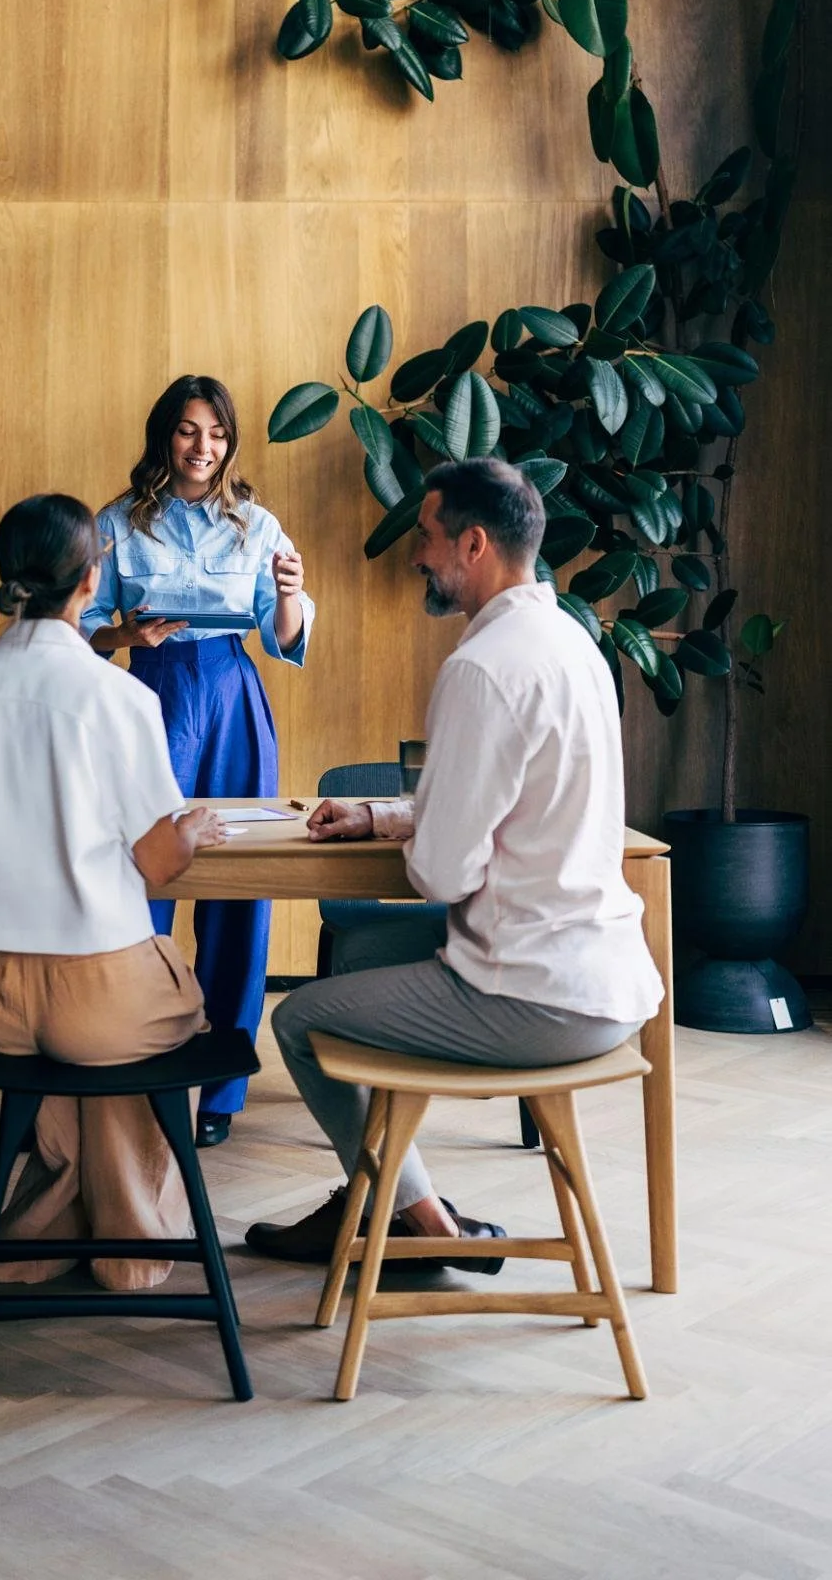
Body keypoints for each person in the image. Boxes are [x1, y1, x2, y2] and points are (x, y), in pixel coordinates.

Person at [245, 457, 664, 1266]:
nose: (418, 557)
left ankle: (418, 1221)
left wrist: (420, 827)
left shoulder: (480, 667)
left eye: (429, 538)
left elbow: (442, 876)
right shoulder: (572, 642)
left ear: (474, 544)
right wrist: (386, 815)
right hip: (608, 974)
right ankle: (381, 1196)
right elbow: (528, 802)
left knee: (296, 1018)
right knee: (365, 957)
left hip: (533, 995)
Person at [0, 493, 226, 1290]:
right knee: (155, 1015)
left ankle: (50, 1220)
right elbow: (157, 866)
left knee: (67, 1060)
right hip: (99, 1000)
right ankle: (132, 1244)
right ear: (91, 579)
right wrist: (193, 831)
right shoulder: (119, 698)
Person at [82, 375, 314, 1147]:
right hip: (149, 696)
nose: (202, 448)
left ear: (230, 442)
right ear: (164, 436)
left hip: (232, 694)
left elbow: (282, 637)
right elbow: (77, 622)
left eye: (216, 434)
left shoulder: (256, 523)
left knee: (241, 890)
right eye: (188, 431)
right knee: (141, 881)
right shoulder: (115, 523)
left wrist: (290, 593)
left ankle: (220, 1090)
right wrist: (122, 639)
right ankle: (138, 1063)